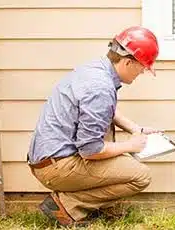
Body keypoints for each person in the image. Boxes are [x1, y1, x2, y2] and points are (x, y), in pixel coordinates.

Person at [27, 26, 161, 227]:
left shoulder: (96, 70)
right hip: (57, 167)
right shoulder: (99, 88)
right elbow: (90, 150)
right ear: (127, 62)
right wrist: (131, 146)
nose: (143, 71)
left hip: (50, 159)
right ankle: (67, 206)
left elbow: (106, 110)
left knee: (119, 155)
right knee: (140, 176)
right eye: (143, 67)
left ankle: (77, 204)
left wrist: (136, 129)